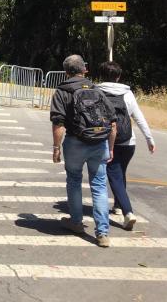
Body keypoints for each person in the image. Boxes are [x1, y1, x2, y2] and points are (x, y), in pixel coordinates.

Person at [50, 54, 117, 248]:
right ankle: (103, 233)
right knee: (99, 185)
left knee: (74, 180)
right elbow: (112, 124)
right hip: (99, 143)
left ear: (66, 72)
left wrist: (56, 148)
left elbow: (58, 123)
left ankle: (76, 222)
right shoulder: (97, 89)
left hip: (75, 142)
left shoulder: (63, 91)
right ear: (84, 70)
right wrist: (110, 147)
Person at [97, 61, 156, 231]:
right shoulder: (127, 93)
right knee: (120, 172)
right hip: (129, 142)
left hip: (108, 141)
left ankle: (128, 212)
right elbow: (139, 117)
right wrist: (149, 139)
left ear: (101, 76)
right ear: (119, 76)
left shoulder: (98, 91)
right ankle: (117, 204)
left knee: (114, 174)